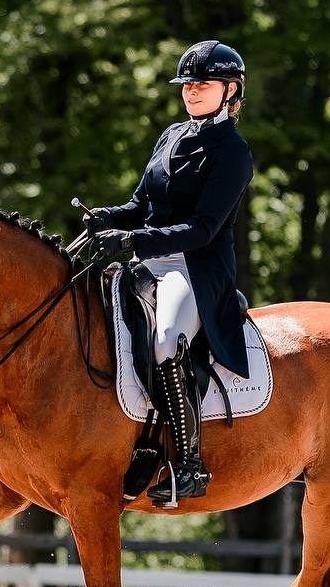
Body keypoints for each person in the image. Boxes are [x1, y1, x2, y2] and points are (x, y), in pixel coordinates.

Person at [85, 40, 254, 507]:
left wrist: (134, 241)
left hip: (194, 269)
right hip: (147, 260)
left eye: (203, 83)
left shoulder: (233, 153)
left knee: (165, 342)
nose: (193, 91)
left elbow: (202, 230)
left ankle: (189, 465)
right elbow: (141, 206)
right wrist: (106, 218)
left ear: (231, 90)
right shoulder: (171, 136)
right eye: (188, 84)